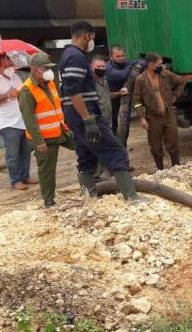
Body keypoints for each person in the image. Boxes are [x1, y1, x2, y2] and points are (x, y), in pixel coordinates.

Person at [58, 21, 145, 202]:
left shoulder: (68, 55)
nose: (92, 41)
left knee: (86, 154)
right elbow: (73, 91)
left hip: (76, 116)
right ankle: (132, 197)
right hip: (85, 115)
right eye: (92, 37)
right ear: (87, 36)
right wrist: (88, 120)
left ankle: (90, 197)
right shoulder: (75, 57)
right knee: (116, 151)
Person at [18, 52, 74, 207]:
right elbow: (29, 119)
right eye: (46, 67)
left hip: (61, 131)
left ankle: (95, 178)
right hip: (44, 138)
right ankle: (49, 201)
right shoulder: (26, 91)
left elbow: (56, 108)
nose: (50, 70)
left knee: (86, 146)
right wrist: (38, 141)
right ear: (36, 69)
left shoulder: (49, 83)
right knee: (47, 170)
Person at [0, 53, 35, 190]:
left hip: (22, 121)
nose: (11, 67)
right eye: (7, 65)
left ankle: (25, 176)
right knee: (13, 154)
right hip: (8, 124)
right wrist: (7, 95)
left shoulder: (15, 77)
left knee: (25, 151)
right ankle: (16, 180)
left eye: (11, 64)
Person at [132, 52, 186, 170]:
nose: (161, 66)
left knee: (173, 143)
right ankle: (160, 169)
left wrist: (175, 96)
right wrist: (142, 117)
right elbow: (136, 100)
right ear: (151, 64)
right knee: (155, 147)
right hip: (153, 117)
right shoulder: (140, 80)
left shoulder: (165, 74)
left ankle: (176, 168)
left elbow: (181, 81)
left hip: (169, 114)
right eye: (159, 64)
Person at [92, 55, 112, 179]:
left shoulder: (104, 80)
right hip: (97, 122)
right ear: (91, 67)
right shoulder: (89, 83)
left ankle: (103, 171)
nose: (101, 68)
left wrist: (119, 93)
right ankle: (96, 175)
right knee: (97, 148)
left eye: (103, 66)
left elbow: (106, 97)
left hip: (107, 120)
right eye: (98, 66)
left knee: (105, 146)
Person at [104, 46, 132, 135]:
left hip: (122, 99)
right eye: (118, 56)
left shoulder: (126, 63)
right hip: (110, 101)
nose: (121, 58)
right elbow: (122, 75)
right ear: (111, 57)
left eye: (122, 56)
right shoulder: (107, 67)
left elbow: (141, 61)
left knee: (124, 125)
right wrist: (131, 67)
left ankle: (122, 147)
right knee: (113, 125)